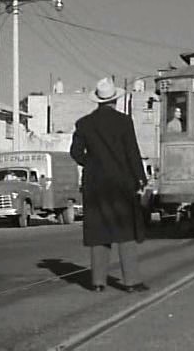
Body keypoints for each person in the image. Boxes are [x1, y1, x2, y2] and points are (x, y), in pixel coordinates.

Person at [70, 77, 149, 293]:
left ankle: (97, 282)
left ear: (98, 100)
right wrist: (141, 178)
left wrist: (92, 163)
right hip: (121, 183)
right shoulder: (124, 122)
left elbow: (75, 153)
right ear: (115, 99)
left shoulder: (84, 123)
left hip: (95, 185)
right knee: (125, 231)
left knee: (99, 231)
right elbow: (132, 153)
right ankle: (131, 282)